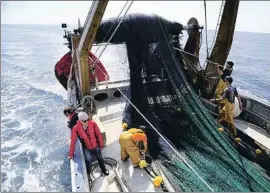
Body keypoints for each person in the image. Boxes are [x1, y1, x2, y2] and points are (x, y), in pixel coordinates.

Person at [68, 111, 109, 176]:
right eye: (84, 121)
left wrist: (101, 144)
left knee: (100, 158)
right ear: (80, 121)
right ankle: (88, 173)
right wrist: (71, 154)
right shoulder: (75, 128)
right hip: (87, 148)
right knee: (88, 160)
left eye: (87, 120)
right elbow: (73, 141)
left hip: (95, 145)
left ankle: (104, 169)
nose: (86, 122)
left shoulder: (93, 124)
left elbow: (98, 134)